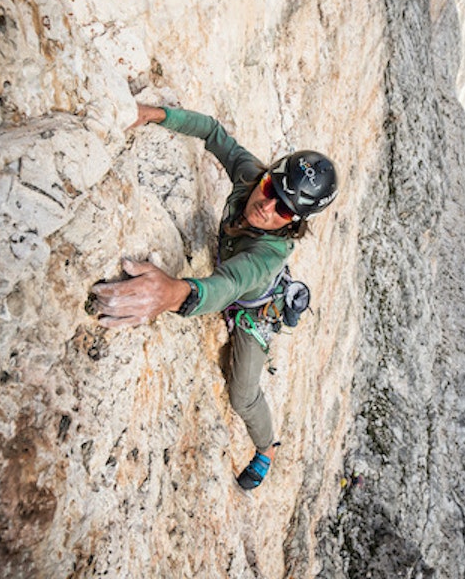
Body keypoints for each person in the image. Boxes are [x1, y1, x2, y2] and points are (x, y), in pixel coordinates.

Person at [89, 103, 339, 490]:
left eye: (285, 212)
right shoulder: (252, 176)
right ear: (268, 175)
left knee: (242, 395)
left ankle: (267, 446)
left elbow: (228, 285)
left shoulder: (267, 255)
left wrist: (173, 293)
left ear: (295, 224)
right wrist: (153, 114)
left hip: (254, 313)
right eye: (271, 189)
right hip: (240, 282)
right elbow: (213, 132)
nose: (267, 206)